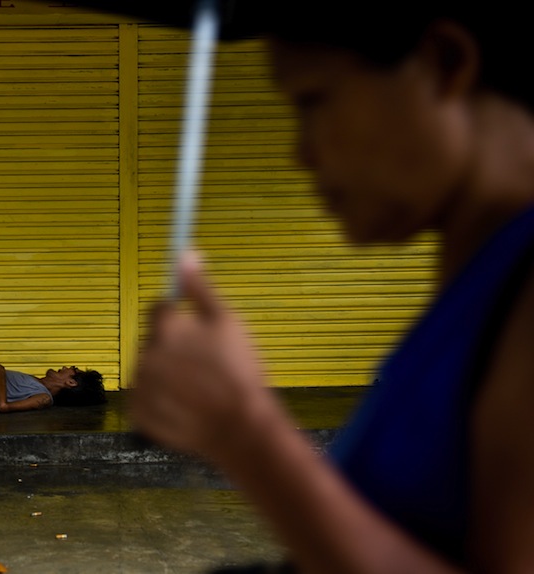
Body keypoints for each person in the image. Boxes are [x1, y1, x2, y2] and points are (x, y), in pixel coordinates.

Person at [47, 5, 534, 574]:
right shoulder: (478, 277)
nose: (300, 153)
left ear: (445, 64)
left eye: (313, 101)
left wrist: (249, 431)